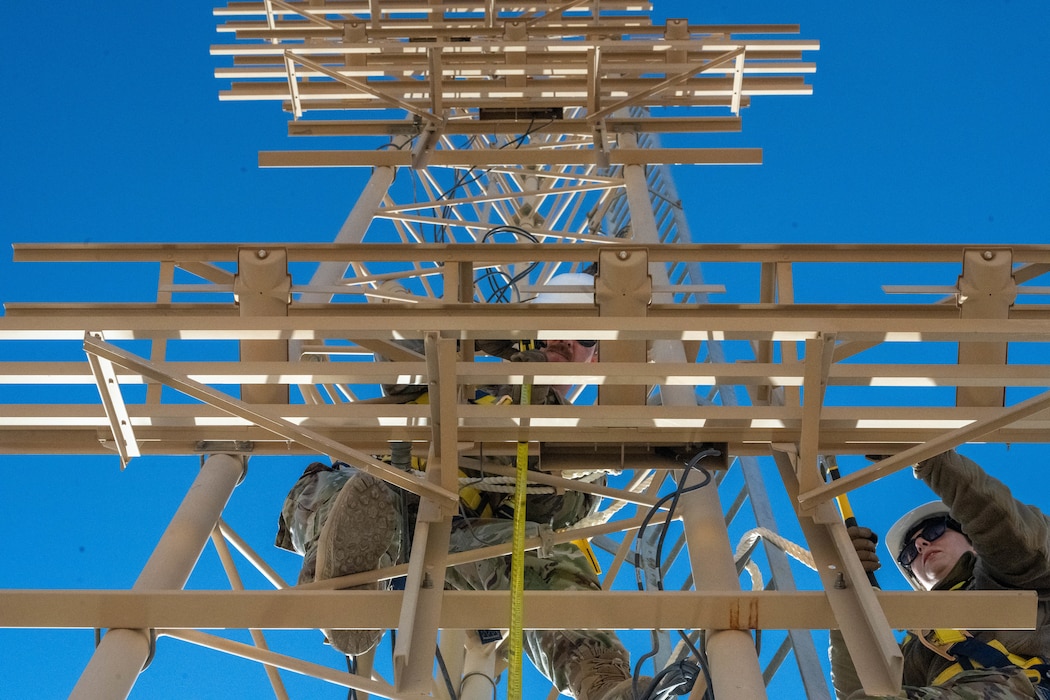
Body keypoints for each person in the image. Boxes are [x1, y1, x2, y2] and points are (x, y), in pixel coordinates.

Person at [276, 339, 667, 700]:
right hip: (379, 493)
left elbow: (563, 506)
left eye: (577, 338)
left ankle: (598, 679)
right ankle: (344, 589)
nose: (559, 341)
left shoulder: (578, 443)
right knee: (345, 493)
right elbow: (401, 343)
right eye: (547, 333)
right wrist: (474, 336)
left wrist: (531, 406)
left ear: (593, 359)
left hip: (456, 537)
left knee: (544, 557)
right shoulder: (456, 381)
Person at [832, 448, 1050, 700]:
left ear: (972, 539)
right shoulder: (918, 645)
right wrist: (850, 584)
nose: (921, 545)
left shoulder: (1014, 577)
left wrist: (929, 458)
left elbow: (1001, 526)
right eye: (909, 553)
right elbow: (858, 689)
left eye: (934, 530)